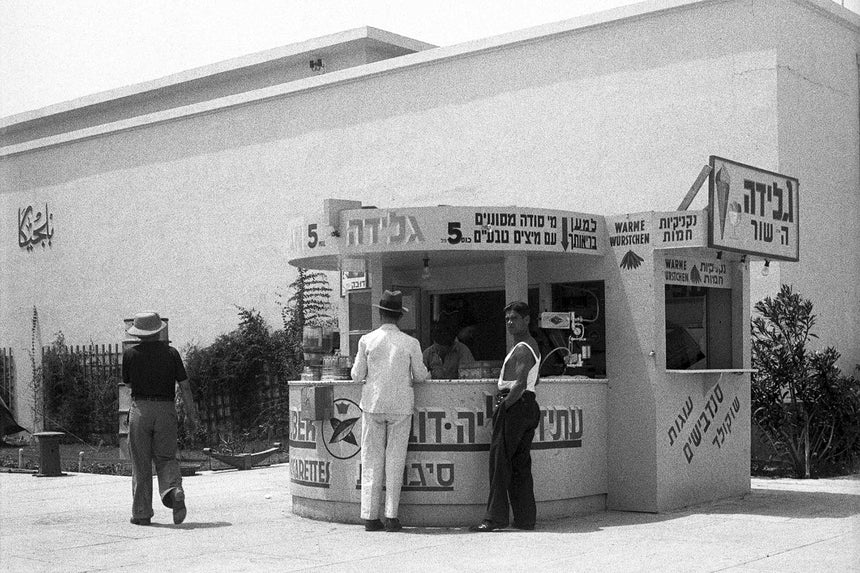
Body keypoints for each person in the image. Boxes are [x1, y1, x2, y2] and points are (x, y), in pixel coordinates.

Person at [351, 290, 429, 532]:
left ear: (380, 312)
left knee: (371, 460)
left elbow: (356, 376)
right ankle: (392, 516)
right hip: (400, 407)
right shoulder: (411, 343)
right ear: (400, 317)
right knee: (395, 460)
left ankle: (369, 516)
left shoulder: (366, 340)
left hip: (373, 405)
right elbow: (420, 375)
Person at [123, 311, 200, 526]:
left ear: (138, 333)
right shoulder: (172, 353)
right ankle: (174, 489)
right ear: (158, 331)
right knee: (166, 457)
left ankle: (141, 512)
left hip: (141, 409)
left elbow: (128, 384)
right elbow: (184, 386)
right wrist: (191, 415)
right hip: (166, 409)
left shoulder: (130, 355)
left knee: (141, 462)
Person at [471, 301, 541, 532]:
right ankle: (524, 518)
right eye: (508, 319)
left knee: (500, 463)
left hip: (515, 405)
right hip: (527, 406)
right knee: (520, 465)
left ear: (527, 320)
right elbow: (532, 381)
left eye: (515, 318)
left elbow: (519, 384)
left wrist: (502, 408)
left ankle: (494, 518)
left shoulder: (522, 348)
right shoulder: (530, 347)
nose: (510, 322)